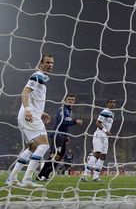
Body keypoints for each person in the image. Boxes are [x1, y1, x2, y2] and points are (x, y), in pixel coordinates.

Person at [6, 55, 54, 188]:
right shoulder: (37, 75)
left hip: (31, 115)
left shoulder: (42, 78)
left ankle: (12, 177)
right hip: (29, 116)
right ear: (41, 63)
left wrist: (41, 112)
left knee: (32, 148)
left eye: (52, 63)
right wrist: (28, 109)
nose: (50, 65)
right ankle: (27, 179)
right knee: (44, 146)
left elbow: (34, 97)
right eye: (47, 62)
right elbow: (25, 91)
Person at [37, 94, 83, 181]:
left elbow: (65, 126)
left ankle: (45, 175)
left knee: (59, 157)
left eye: (72, 100)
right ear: (65, 100)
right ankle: (41, 175)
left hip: (62, 135)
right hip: (57, 135)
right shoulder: (63, 109)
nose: (70, 101)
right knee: (55, 156)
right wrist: (75, 121)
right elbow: (63, 121)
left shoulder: (70, 111)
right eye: (69, 99)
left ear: (74, 101)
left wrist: (66, 135)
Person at [81, 99, 116, 182]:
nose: (112, 103)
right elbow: (98, 122)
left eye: (114, 102)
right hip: (99, 134)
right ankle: (85, 175)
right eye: (111, 102)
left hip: (105, 137)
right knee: (97, 153)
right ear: (107, 103)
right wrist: (106, 131)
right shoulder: (105, 111)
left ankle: (96, 176)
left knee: (103, 156)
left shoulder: (111, 113)